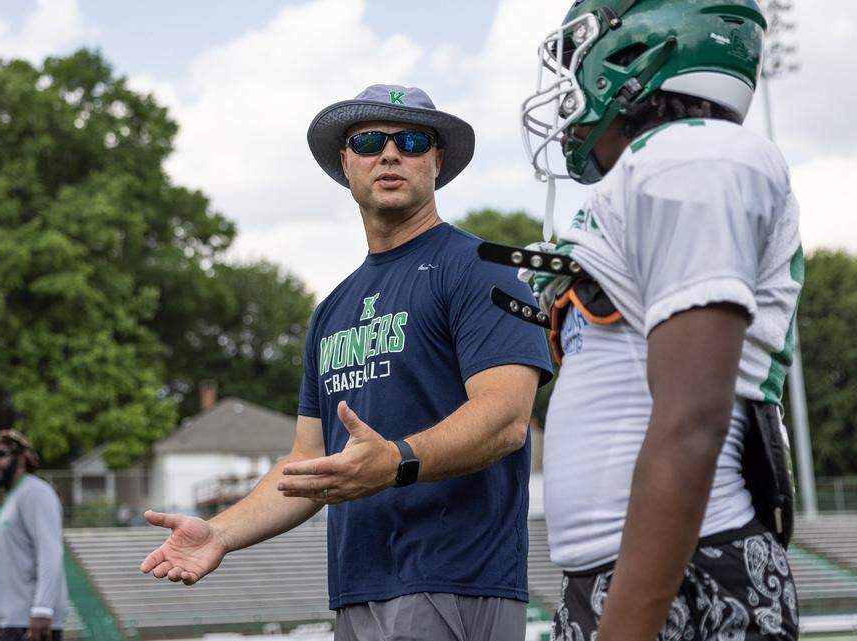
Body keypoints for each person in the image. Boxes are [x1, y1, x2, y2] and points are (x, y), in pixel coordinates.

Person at [139, 84, 552, 641]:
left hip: (455, 579)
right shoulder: (332, 309)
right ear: (345, 162)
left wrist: (397, 460)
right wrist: (219, 533)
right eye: (368, 141)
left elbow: (506, 420)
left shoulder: (482, 270)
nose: (389, 154)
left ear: (437, 159)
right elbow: (308, 463)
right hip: (358, 589)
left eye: (410, 140)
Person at [509, 1, 802, 639]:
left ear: (637, 51)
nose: (569, 86)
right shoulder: (654, 173)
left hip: (686, 568)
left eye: (578, 57)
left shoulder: (695, 158)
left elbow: (692, 419)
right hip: (633, 571)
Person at [0, 429, 68, 641]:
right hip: (8, 621)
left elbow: (50, 552)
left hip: (29, 622)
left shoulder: (36, 492)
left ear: (21, 458)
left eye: (0, 454)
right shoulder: (12, 497)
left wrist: (42, 609)